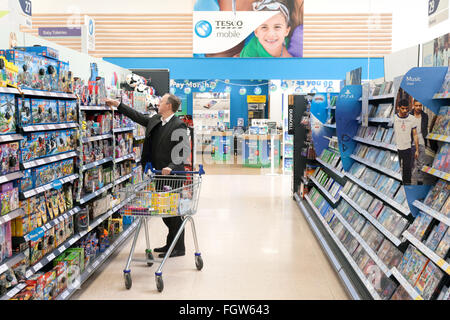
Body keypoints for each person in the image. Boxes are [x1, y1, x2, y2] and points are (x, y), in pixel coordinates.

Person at [105, 94, 190, 258]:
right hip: (159, 174)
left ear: (169, 106)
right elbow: (138, 116)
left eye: (162, 101)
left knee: (173, 212)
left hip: (172, 175)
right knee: (166, 212)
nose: (158, 103)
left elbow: (183, 150)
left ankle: (179, 247)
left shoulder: (178, 125)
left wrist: (171, 167)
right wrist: (118, 105)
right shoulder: (157, 120)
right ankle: (171, 244)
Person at [393, 99, 419, 185]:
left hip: (407, 148)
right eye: (403, 108)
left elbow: (415, 135)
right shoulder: (394, 118)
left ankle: (406, 187)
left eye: (406, 109)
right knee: (396, 168)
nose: (405, 111)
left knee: (407, 170)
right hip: (396, 148)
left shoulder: (412, 119)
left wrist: (417, 149)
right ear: (398, 108)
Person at [410, 99, 429, 185]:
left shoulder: (425, 116)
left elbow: (425, 130)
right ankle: (410, 182)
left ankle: (419, 182)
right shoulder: (409, 116)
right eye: (416, 105)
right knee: (412, 164)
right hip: (411, 143)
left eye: (420, 106)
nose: (418, 107)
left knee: (421, 163)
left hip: (421, 142)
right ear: (413, 105)